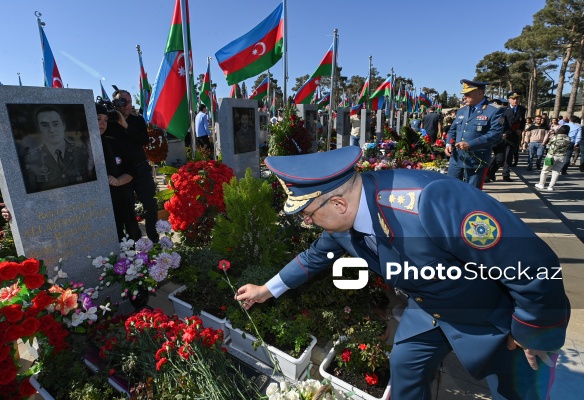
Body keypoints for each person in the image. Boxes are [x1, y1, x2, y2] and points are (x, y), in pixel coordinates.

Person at [235, 146, 569, 400]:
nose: (306, 223)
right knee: (405, 369)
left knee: (518, 390)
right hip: (428, 309)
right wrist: (266, 289)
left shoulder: (428, 202)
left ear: (337, 205)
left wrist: (535, 330)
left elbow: (533, 264)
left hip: (491, 315)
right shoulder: (341, 222)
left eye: (307, 214)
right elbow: (313, 258)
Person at [105, 89, 158, 242]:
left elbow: (143, 140)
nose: (127, 105)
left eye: (129, 101)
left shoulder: (138, 120)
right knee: (128, 211)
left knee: (151, 205)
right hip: (123, 173)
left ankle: (154, 239)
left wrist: (125, 124)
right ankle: (134, 243)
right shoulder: (109, 123)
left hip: (141, 169)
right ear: (115, 103)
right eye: (123, 101)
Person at [445, 79, 504, 188]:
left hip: (476, 160)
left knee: (472, 192)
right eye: (464, 94)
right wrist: (448, 143)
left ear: (480, 93)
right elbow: (453, 129)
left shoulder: (494, 110)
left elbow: (495, 133)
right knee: (452, 188)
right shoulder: (462, 111)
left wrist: (470, 144)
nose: (464, 97)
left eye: (468, 94)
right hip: (457, 158)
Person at [22, 106, 95, 193]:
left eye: (55, 124)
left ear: (63, 125)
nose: (51, 130)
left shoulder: (82, 151)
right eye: (45, 125)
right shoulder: (33, 158)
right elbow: (31, 191)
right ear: (39, 128)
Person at [535, 125, 571, 191]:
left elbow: (548, 145)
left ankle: (541, 184)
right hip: (562, 157)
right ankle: (551, 186)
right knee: (556, 172)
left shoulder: (555, 137)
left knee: (545, 170)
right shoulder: (568, 138)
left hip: (551, 155)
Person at [506, 92, 528, 168]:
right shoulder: (504, 109)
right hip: (504, 135)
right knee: (500, 158)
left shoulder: (522, 109)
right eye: (513, 99)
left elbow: (522, 122)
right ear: (508, 99)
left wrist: (520, 129)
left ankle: (506, 173)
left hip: (514, 135)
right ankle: (491, 173)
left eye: (517, 98)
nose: (515, 100)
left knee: (510, 154)